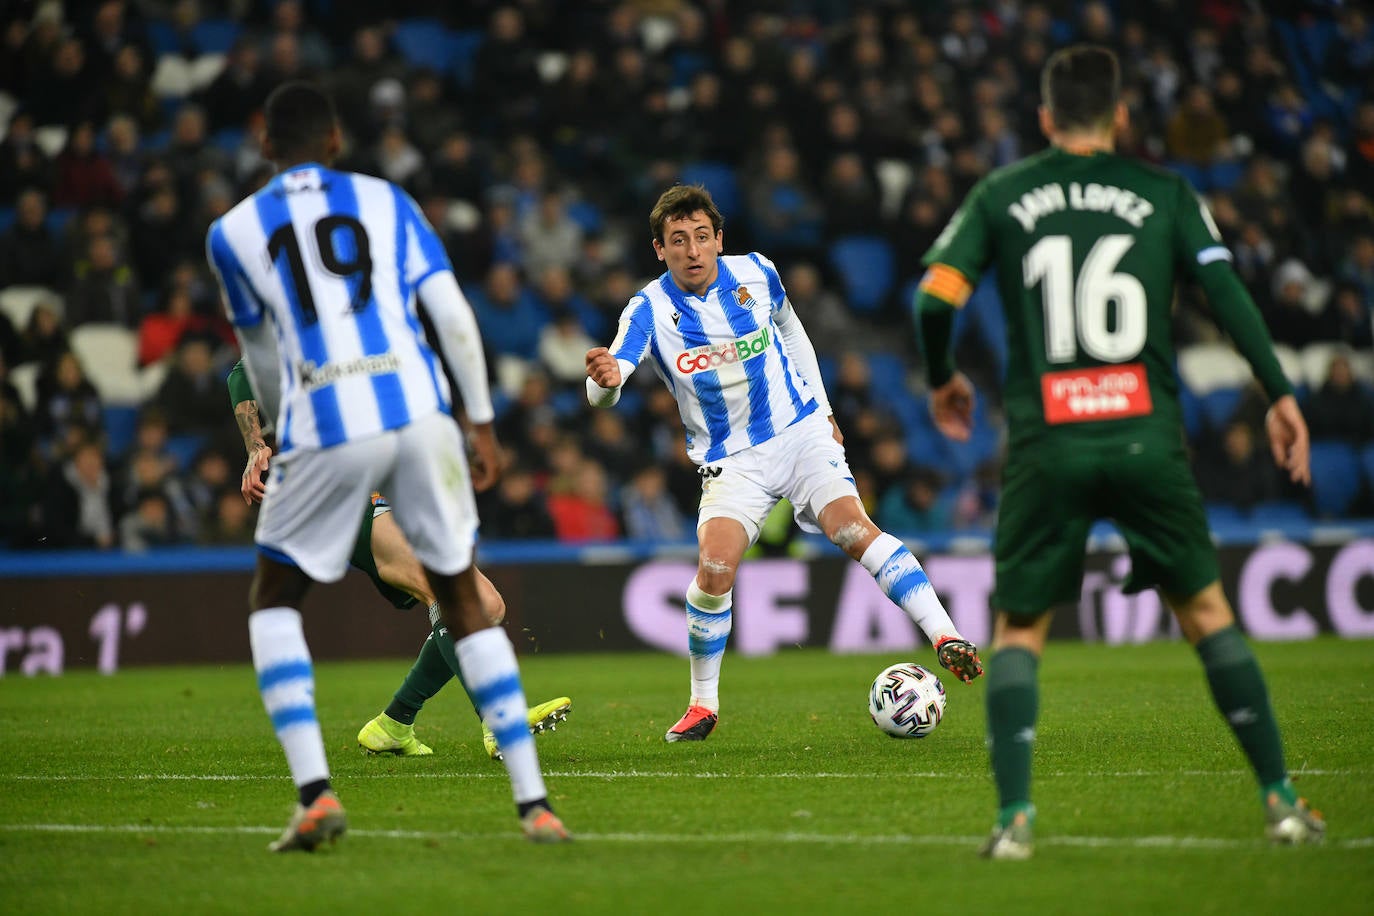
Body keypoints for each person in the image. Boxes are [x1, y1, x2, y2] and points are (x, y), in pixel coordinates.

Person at [914, 45, 1324, 860]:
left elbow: (935, 296)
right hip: (1145, 437)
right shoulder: (1163, 192)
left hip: (1047, 444)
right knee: (1207, 615)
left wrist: (942, 378)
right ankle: (1280, 803)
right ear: (1121, 117)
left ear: (1043, 117)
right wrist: (1279, 391)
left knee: (1020, 630)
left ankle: (1015, 824)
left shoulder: (1002, 193)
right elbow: (1227, 292)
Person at [205, 82, 570, 850]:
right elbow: (455, 320)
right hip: (418, 415)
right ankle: (531, 801)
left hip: (333, 435)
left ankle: (321, 789)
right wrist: (480, 421)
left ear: (265, 147)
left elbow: (260, 365)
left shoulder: (234, 232)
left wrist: (277, 443)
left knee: (276, 599)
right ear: (336, 142)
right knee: (473, 602)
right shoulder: (387, 202)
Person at [585, 183, 983, 744]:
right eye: (679, 241)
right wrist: (601, 384)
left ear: (719, 240)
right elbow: (611, 379)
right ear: (660, 250)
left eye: (702, 237)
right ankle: (703, 705)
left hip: (797, 432)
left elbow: (792, 330)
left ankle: (944, 636)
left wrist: (822, 410)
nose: (693, 250)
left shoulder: (757, 273)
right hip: (732, 460)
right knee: (713, 570)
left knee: (851, 527)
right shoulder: (648, 309)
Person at [228, 359, 572, 762]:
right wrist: (256, 447)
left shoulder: (364, 338)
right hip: (338, 491)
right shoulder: (304, 332)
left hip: (391, 483)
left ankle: (393, 723)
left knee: (488, 605)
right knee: (440, 590)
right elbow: (243, 371)